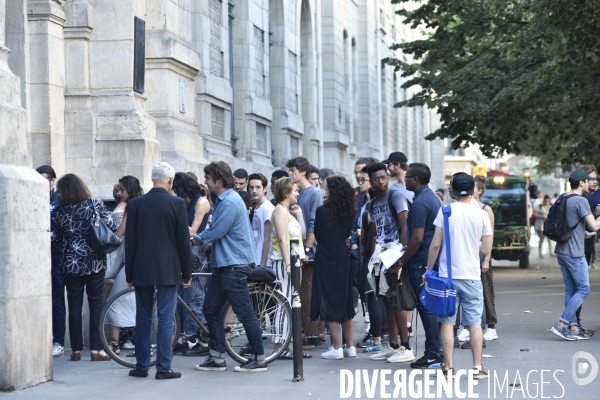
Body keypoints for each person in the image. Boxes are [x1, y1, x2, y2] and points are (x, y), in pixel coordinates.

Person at [193, 161, 267, 372]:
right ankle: (217, 357)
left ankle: (258, 358)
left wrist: (195, 239)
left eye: (207, 178)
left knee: (244, 312)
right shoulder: (225, 199)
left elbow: (217, 232)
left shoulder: (230, 201)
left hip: (234, 265)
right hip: (225, 264)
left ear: (218, 180)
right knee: (211, 309)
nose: (205, 181)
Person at [125, 162, 192, 379]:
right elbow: (183, 241)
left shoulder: (135, 204)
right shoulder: (177, 203)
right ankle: (164, 368)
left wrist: (129, 274)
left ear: (152, 178)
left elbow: (130, 241)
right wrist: (187, 272)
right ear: (170, 180)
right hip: (168, 269)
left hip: (142, 269)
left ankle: (142, 365)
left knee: (142, 316)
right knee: (165, 318)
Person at [424, 173, 493, 378]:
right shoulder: (481, 213)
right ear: (473, 190)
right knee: (474, 323)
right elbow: (486, 247)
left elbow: (435, 244)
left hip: (448, 278)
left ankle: (449, 367)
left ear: (452, 190)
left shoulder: (445, 211)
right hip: (472, 275)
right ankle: (477, 367)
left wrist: (428, 271)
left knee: (447, 322)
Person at [51, 174, 119, 362]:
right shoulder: (93, 205)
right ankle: (97, 350)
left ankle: (76, 351)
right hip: (94, 262)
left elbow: (56, 240)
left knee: (74, 307)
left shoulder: (59, 212)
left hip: (70, 264)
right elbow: (111, 226)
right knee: (96, 305)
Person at [392, 163, 443, 369]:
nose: (404, 180)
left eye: (408, 176)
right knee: (428, 307)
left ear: (416, 180)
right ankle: (434, 352)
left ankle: (433, 354)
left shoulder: (422, 202)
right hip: (426, 261)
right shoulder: (430, 198)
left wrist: (400, 262)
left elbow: (417, 238)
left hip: (421, 262)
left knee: (426, 308)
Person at [365, 162, 413, 363]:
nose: (381, 182)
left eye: (383, 177)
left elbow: (405, 227)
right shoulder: (372, 203)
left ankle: (406, 346)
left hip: (394, 252)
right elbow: (375, 231)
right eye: (376, 179)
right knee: (385, 299)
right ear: (371, 181)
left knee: (396, 300)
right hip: (380, 254)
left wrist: (400, 258)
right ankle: (393, 345)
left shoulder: (396, 195)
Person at [550, 169, 600, 341]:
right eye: (588, 180)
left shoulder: (563, 197)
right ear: (581, 183)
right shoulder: (580, 200)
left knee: (571, 290)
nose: (590, 183)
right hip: (575, 252)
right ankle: (562, 323)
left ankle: (572, 327)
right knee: (584, 289)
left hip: (562, 250)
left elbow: (574, 224)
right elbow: (594, 226)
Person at [312, 176, 357, 360]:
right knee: (345, 300)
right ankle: (349, 346)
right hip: (342, 257)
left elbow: (317, 233)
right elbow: (346, 234)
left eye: (327, 189)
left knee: (329, 299)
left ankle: (336, 347)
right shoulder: (349, 213)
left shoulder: (322, 211)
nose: (324, 192)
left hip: (326, 257)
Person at [172, 172, 211, 356]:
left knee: (194, 296)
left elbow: (193, 230)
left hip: (195, 253)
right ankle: (185, 337)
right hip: (184, 251)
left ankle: (201, 340)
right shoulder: (186, 202)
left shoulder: (200, 201)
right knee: (181, 296)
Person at [286, 156, 324, 343]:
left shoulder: (314, 193)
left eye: (293, 170)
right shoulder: (296, 193)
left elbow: (314, 225)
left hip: (310, 253)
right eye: (289, 170)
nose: (290, 174)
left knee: (309, 295)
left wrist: (308, 250)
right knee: (300, 293)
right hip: (296, 250)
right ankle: (305, 332)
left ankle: (312, 334)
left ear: (302, 172)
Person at [270, 177, 309, 359]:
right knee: (283, 304)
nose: (298, 193)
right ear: (286, 192)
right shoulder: (279, 211)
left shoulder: (287, 211)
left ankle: (289, 346)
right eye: (295, 190)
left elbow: (300, 234)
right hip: (284, 262)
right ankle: (279, 346)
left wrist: (299, 214)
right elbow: (282, 240)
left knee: (292, 304)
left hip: (293, 261)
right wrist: (288, 263)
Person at [36, 165, 65, 358]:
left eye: (44, 181)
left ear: (52, 181)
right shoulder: (32, 196)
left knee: (56, 298)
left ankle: (58, 341)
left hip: (56, 253)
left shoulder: (59, 200)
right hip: (36, 253)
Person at [248, 173, 275, 266]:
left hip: (264, 263)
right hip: (255, 259)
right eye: (251, 187)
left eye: (258, 187)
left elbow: (267, 239)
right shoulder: (256, 208)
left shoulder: (267, 208)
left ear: (264, 189)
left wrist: (262, 264)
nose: (254, 191)